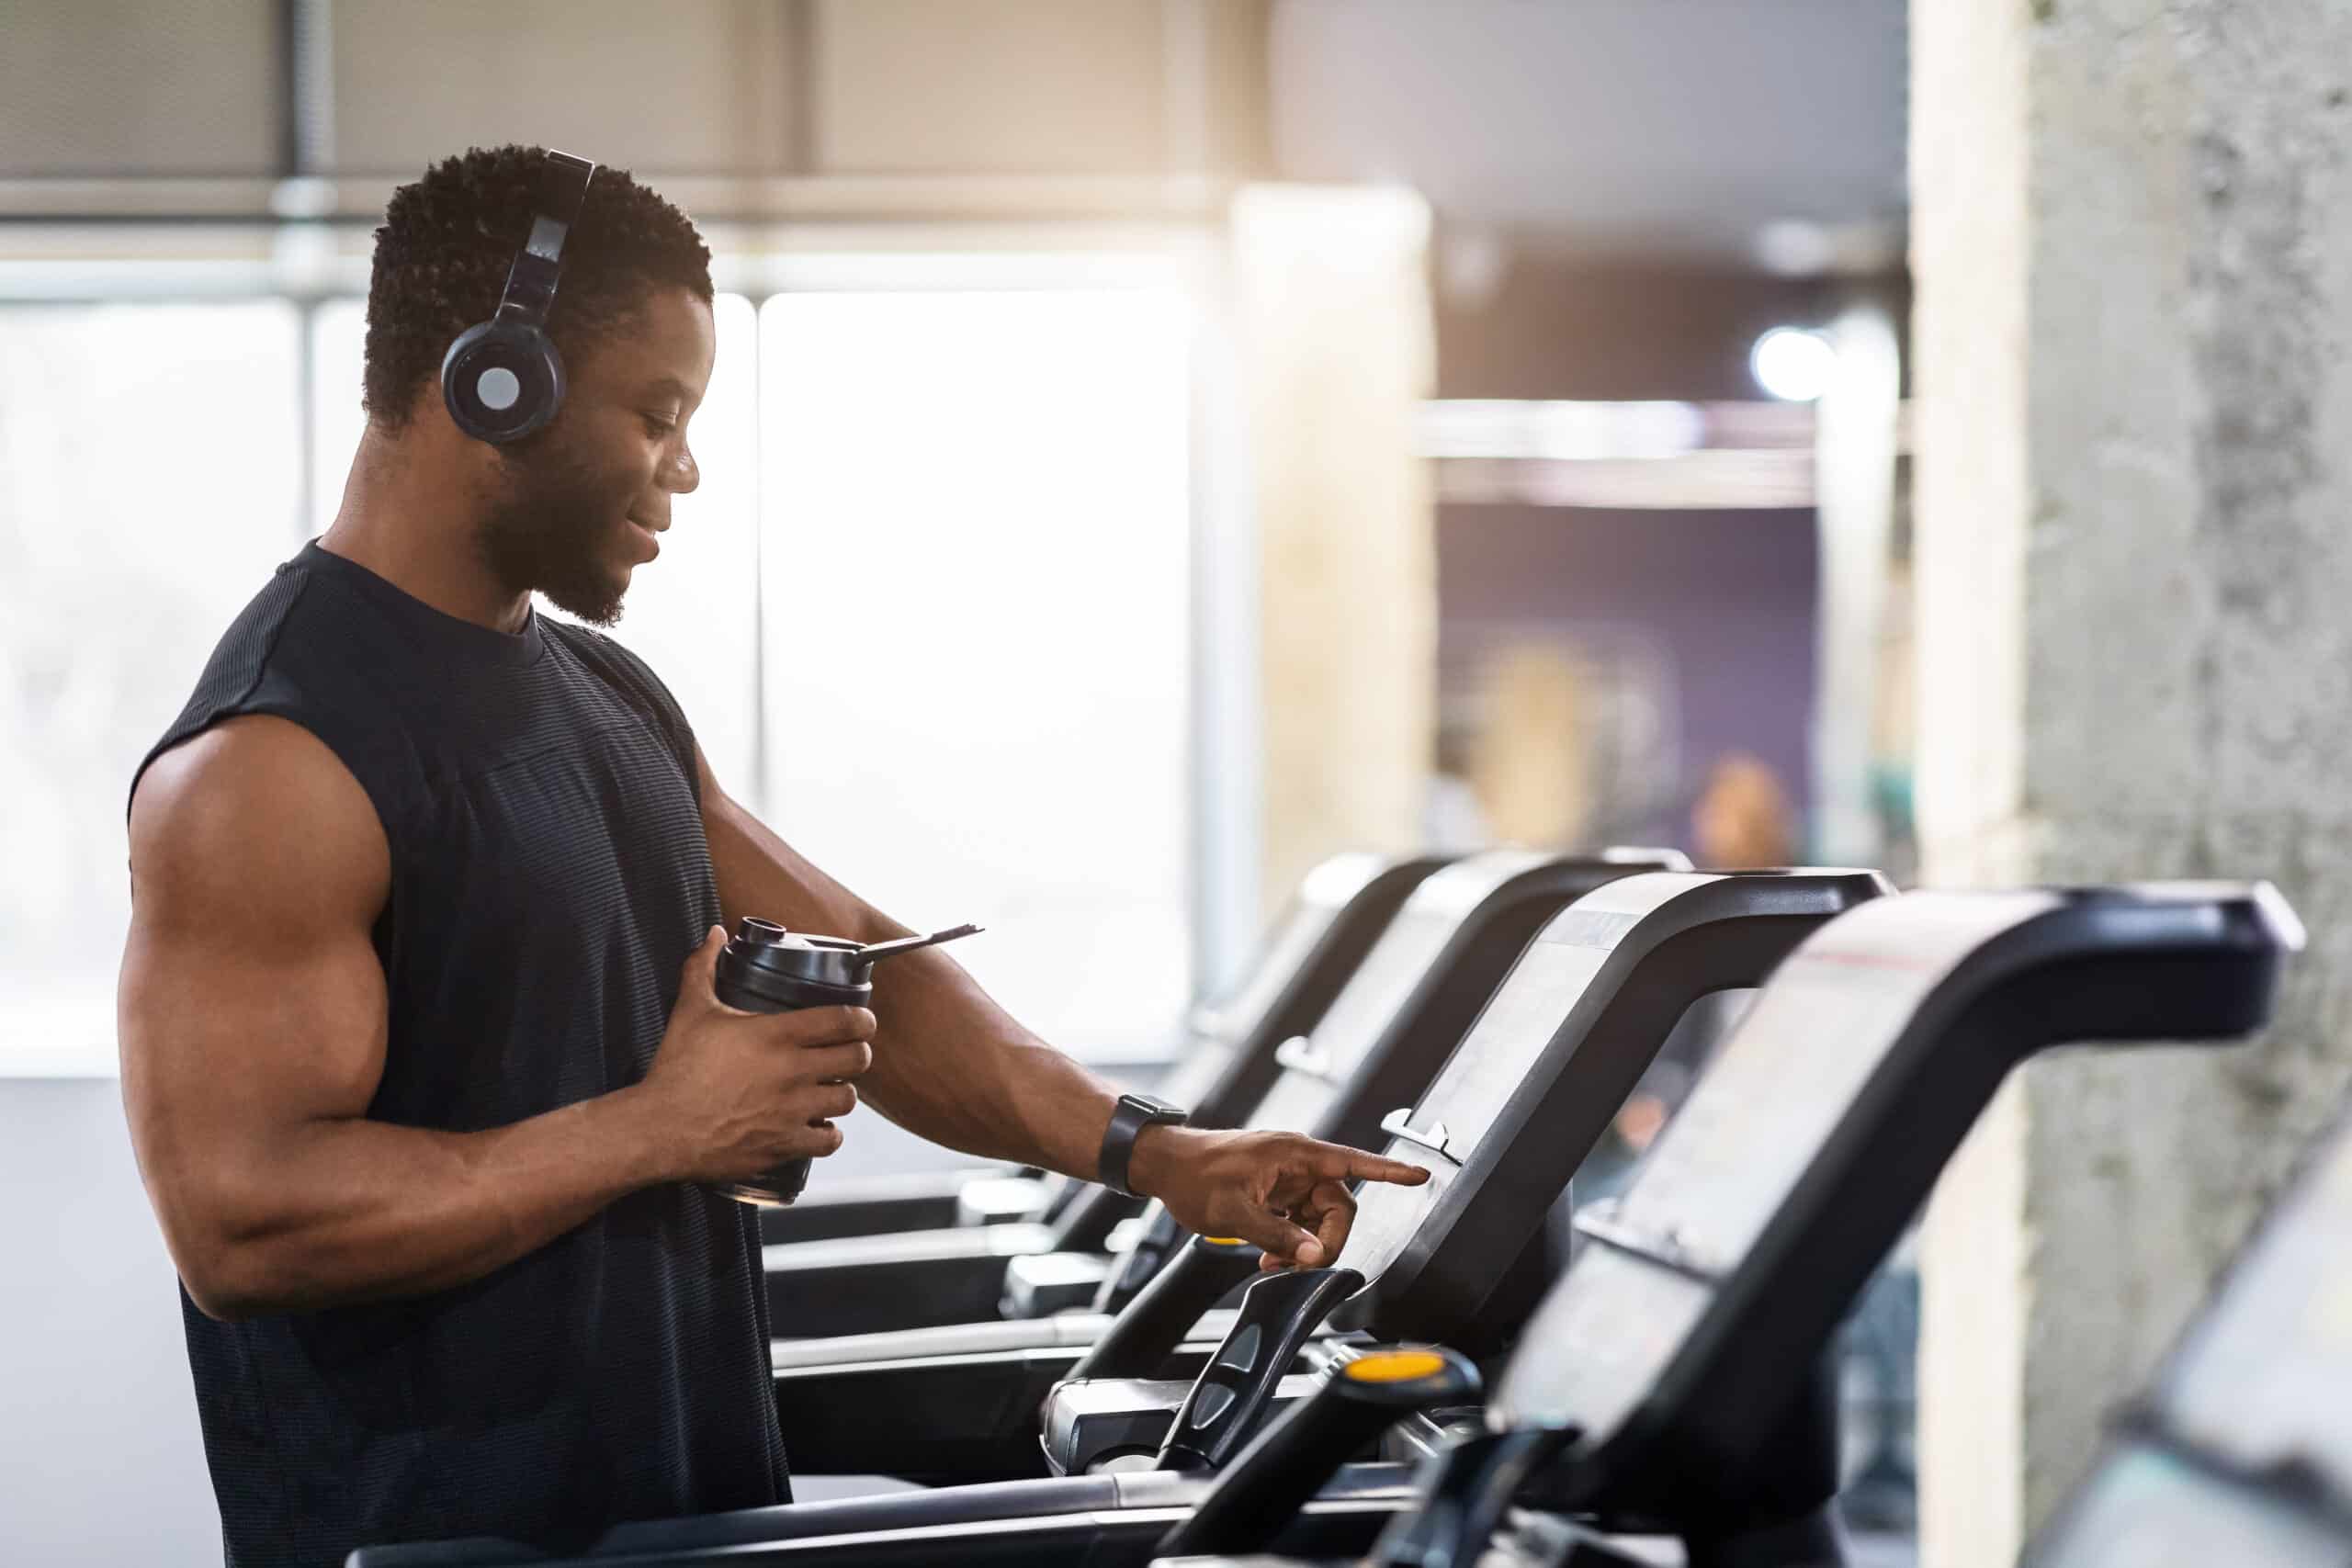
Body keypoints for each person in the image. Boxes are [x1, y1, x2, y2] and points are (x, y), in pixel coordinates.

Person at [117, 146, 1425, 1568]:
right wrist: (662, 1128)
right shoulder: (273, 763)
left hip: (677, 1517)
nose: (683, 465)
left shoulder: (607, 699)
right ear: (498, 384)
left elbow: (873, 965)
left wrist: (1157, 1152)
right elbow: (243, 1228)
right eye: (656, 412)